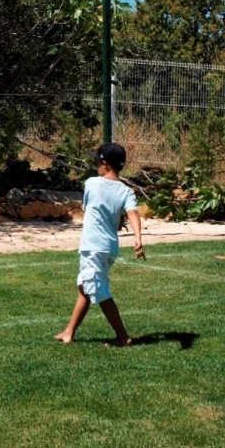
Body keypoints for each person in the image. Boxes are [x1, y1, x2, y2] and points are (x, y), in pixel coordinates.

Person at [55, 142, 143, 346]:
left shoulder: (92, 183)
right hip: (108, 248)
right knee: (85, 287)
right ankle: (69, 332)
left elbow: (88, 207)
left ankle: (123, 336)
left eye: (97, 161)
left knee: (99, 291)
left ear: (104, 164)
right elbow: (133, 213)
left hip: (93, 246)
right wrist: (138, 238)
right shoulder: (126, 191)